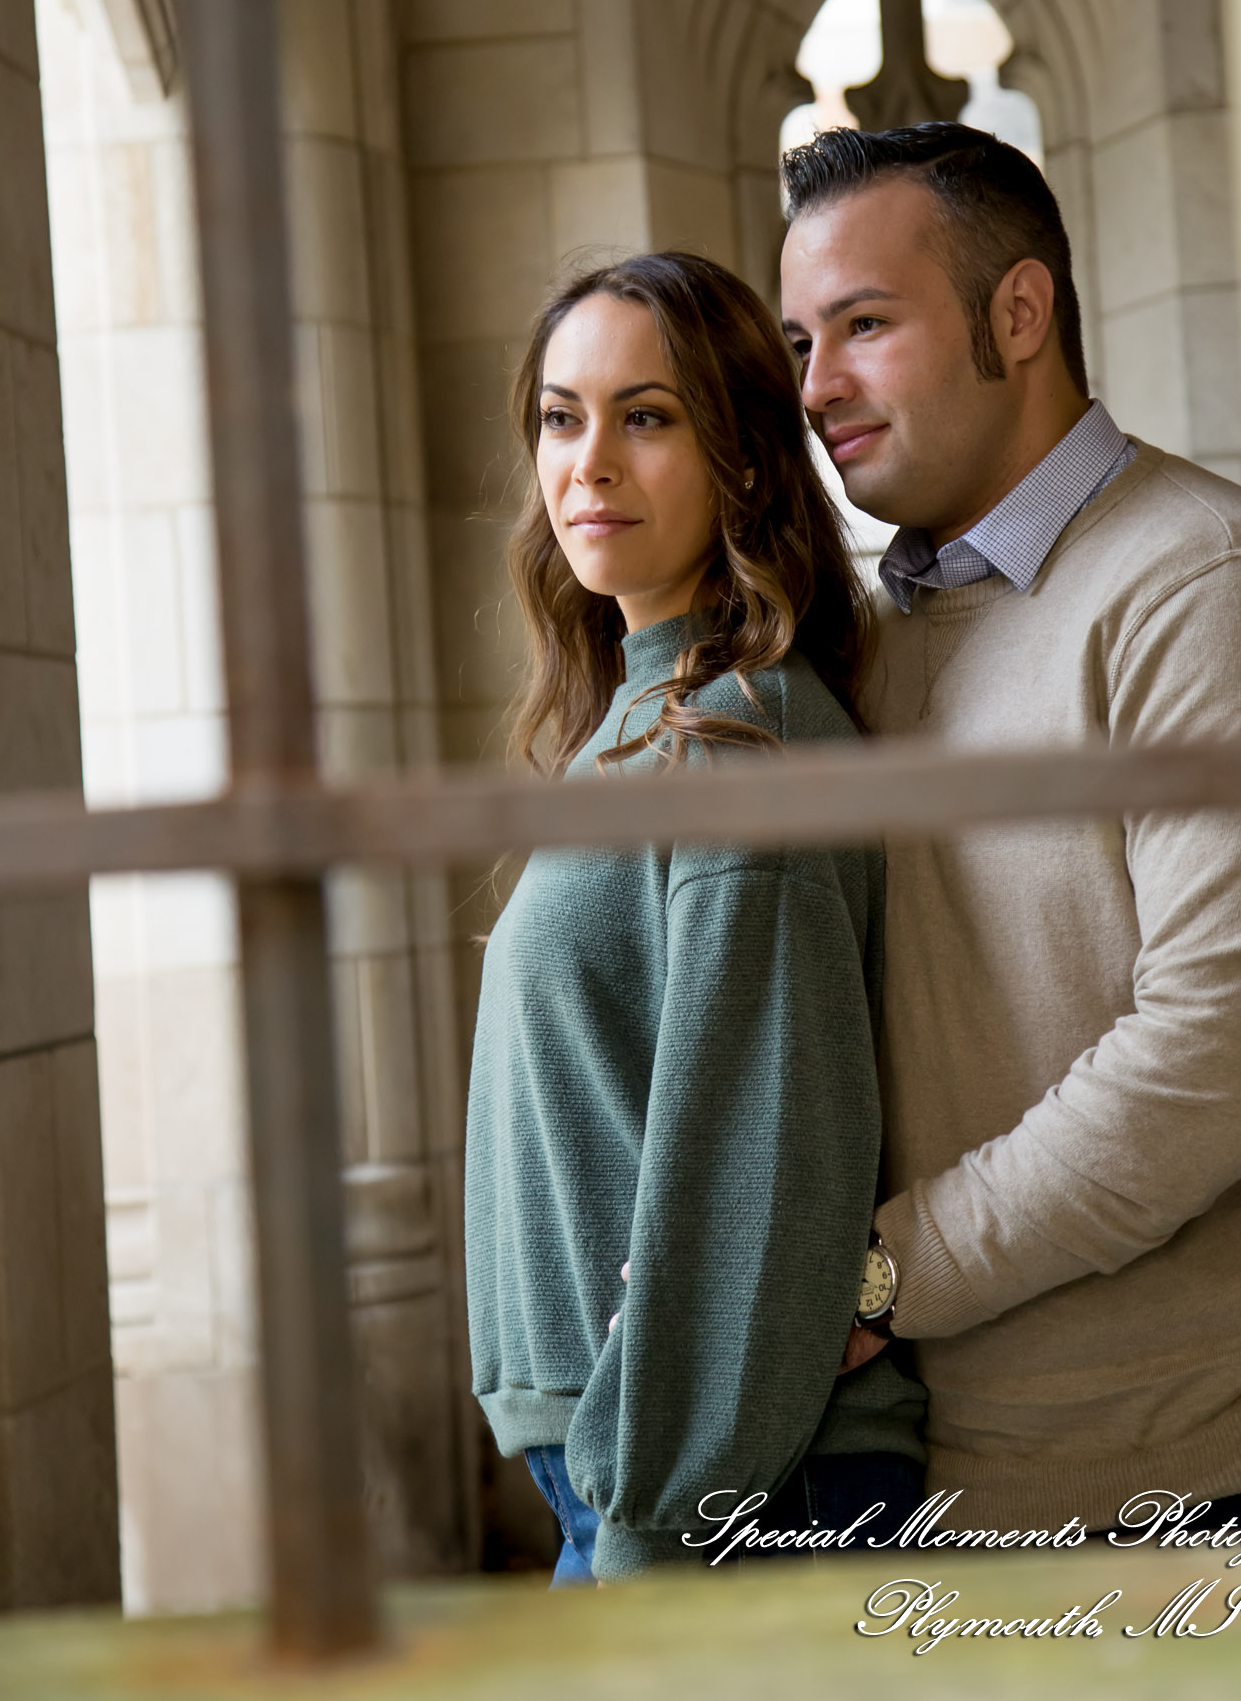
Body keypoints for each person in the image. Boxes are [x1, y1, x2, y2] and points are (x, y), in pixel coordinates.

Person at [780, 123, 1241, 1538]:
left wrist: (879, 1273)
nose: (818, 385)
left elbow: (1223, 1055)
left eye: (864, 324)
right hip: (919, 1470)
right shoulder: (868, 635)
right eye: (799, 342)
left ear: (1017, 315)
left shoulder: (1192, 577)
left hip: (1189, 1485)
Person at [463, 251, 926, 1586]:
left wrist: (654, 1520)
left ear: (742, 458)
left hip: (722, 1492)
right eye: (562, 416)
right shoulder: (647, 710)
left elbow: (756, 1165)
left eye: (646, 415)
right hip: (648, 1467)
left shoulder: (738, 744)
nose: (588, 460)